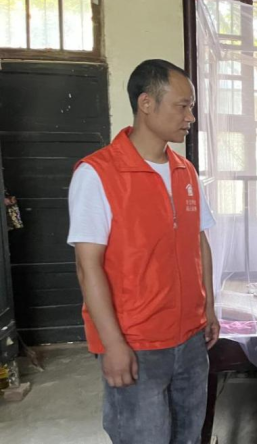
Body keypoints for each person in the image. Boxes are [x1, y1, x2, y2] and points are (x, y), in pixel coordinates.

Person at [68, 59, 219, 444]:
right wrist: (113, 344)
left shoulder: (185, 172)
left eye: (191, 107)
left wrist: (209, 309)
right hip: (136, 342)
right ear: (146, 103)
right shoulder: (98, 174)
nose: (190, 117)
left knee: (189, 435)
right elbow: (88, 267)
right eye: (182, 106)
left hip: (190, 339)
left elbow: (199, 242)